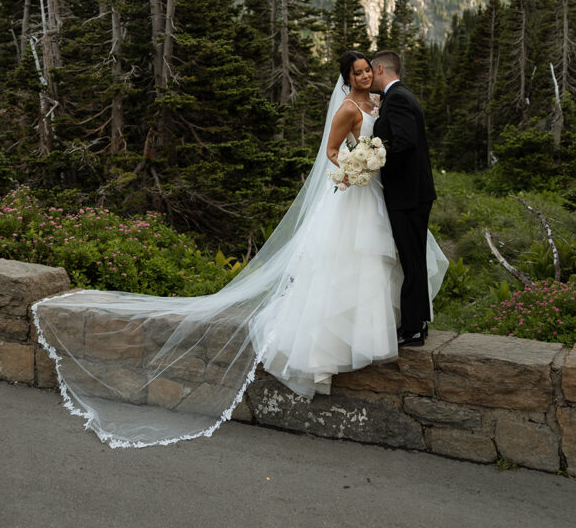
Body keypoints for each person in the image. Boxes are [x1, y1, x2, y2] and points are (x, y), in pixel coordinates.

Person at [32, 52, 447, 449]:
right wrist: (352, 170)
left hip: (377, 194)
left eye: (366, 70)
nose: (364, 76)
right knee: (346, 261)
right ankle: (342, 341)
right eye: (357, 72)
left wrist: (369, 164)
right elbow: (332, 152)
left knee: (378, 260)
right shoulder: (347, 109)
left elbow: (389, 142)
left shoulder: (378, 102)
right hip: (355, 192)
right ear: (347, 77)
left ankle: (385, 328)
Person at [371, 50, 437, 347]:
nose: (368, 77)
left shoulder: (396, 98)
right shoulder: (401, 95)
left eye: (371, 71)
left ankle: (412, 329)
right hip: (414, 191)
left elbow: (404, 142)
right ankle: (418, 322)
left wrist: (376, 163)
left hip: (407, 193)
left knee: (411, 260)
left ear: (380, 69)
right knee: (414, 259)